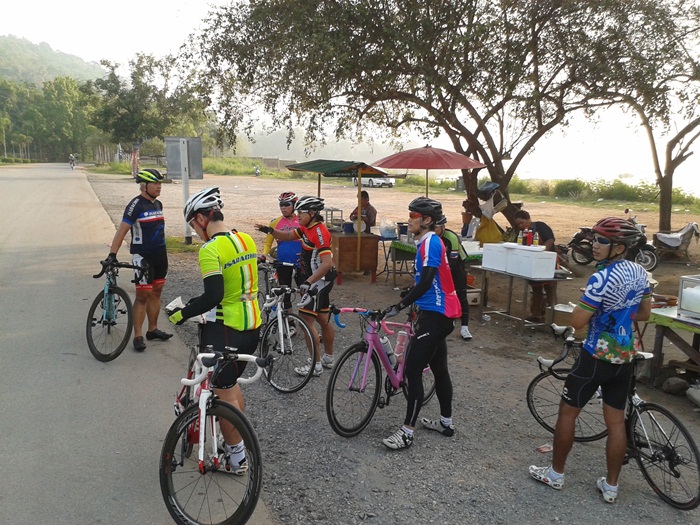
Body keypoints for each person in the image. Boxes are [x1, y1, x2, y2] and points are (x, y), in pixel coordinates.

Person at [529, 217, 652, 504]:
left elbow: (578, 321)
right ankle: (611, 486)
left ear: (619, 248)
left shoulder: (601, 278)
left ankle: (555, 474)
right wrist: (620, 314)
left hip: (595, 355)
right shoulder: (640, 272)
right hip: (624, 355)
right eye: (595, 238)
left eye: (602, 241)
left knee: (567, 413)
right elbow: (645, 313)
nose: (594, 245)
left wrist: (597, 309)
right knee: (616, 423)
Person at [168, 187, 262, 475]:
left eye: (193, 225)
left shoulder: (210, 249)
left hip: (225, 330)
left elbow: (214, 295)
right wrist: (196, 302)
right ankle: (239, 445)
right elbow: (232, 287)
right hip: (252, 327)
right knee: (231, 388)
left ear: (200, 219)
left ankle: (237, 460)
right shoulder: (245, 239)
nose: (195, 232)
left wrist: (181, 314)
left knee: (223, 396)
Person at [381, 197, 462, 450]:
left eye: (413, 216)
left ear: (426, 220)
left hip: (437, 315)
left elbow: (427, 282)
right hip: (436, 313)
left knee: (412, 370)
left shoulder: (431, 243)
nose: (409, 220)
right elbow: (428, 280)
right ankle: (446, 423)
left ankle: (407, 432)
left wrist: (400, 305)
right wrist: (411, 295)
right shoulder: (427, 242)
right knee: (440, 369)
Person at [255, 196, 337, 377]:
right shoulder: (307, 228)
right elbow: (287, 236)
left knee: (306, 321)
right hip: (319, 281)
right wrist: (269, 230)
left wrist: (308, 282)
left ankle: (315, 365)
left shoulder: (320, 232)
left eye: (301, 212)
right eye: (297, 211)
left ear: (312, 213)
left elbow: (326, 264)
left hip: (319, 282)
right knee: (323, 319)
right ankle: (328, 358)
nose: (298, 215)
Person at [104, 168, 171, 351]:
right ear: (144, 186)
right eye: (155, 183)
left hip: (160, 255)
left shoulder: (158, 204)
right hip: (143, 256)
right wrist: (112, 254)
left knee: (156, 292)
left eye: (160, 183)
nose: (159, 186)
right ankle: (138, 336)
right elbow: (122, 230)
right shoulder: (135, 205)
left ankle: (152, 330)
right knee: (142, 296)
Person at [260, 192, 303, 311]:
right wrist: (264, 254)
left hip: (301, 263)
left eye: (287, 204)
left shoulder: (302, 220)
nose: (283, 208)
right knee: (285, 296)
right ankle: (290, 321)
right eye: (281, 205)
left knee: (305, 293)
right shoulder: (275, 222)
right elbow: (268, 243)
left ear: (294, 205)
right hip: (283, 263)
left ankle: (304, 319)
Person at [513, 209, 557, 322]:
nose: (520, 226)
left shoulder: (541, 226)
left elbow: (550, 240)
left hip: (547, 261)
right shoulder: (521, 232)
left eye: (522, 222)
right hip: (532, 263)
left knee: (550, 288)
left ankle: (553, 316)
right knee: (536, 289)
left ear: (528, 219)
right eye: (518, 224)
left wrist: (541, 250)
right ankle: (535, 314)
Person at [435, 215, 473, 341]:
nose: (433, 230)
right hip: (442, 266)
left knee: (461, 295)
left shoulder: (451, 237)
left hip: (457, 267)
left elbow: (452, 262)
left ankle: (465, 327)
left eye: (436, 228)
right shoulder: (432, 237)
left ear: (443, 227)